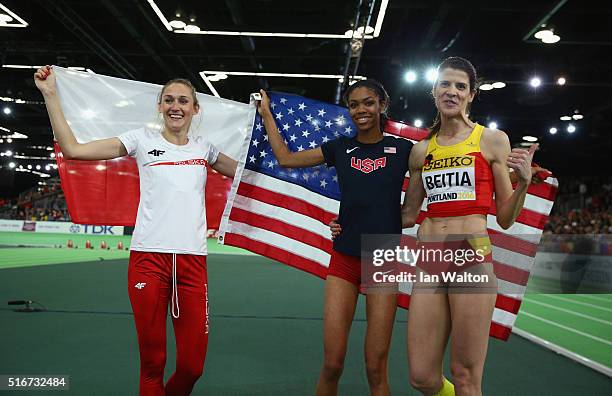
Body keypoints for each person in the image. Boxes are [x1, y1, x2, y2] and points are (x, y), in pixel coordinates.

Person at [34, 65, 237, 396]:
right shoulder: (140, 140)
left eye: (184, 101)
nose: (176, 106)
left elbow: (252, 176)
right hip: (148, 261)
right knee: (153, 364)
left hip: (191, 264)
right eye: (168, 99)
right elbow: (74, 149)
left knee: (191, 367)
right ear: (159, 105)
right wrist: (51, 95)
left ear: (195, 109)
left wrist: (267, 122)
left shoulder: (205, 149)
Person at [257, 80, 413, 396]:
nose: (361, 110)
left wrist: (515, 174)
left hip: (382, 258)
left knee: (375, 366)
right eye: (354, 105)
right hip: (343, 257)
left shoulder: (405, 149)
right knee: (332, 363)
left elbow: (451, 159)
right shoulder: (340, 148)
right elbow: (286, 159)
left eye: (368, 103)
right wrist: (267, 116)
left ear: (382, 105)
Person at [399, 57, 536, 395]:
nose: (452, 91)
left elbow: (505, 217)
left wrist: (524, 185)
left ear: (471, 95)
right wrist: (355, 215)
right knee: (421, 376)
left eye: (460, 86)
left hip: (470, 255)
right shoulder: (420, 151)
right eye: (445, 84)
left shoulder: (491, 140)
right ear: (434, 92)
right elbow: (406, 215)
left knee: (465, 375)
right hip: (430, 259)